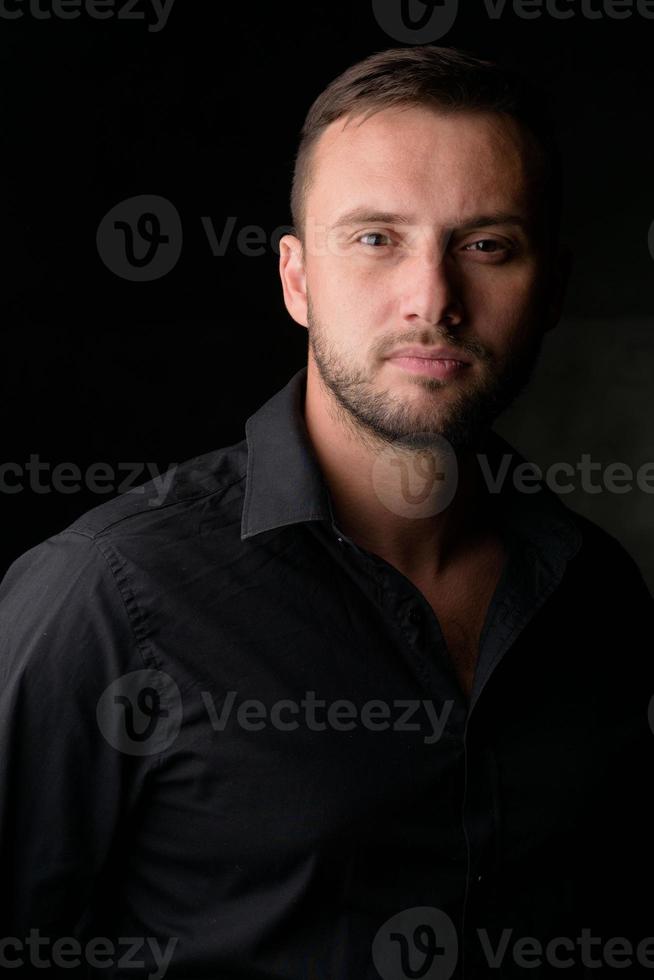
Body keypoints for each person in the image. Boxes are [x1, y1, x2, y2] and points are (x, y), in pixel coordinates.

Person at [1, 45, 652, 979]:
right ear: (296, 280)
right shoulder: (103, 595)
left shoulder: (600, 596)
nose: (433, 300)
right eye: (376, 238)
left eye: (486, 245)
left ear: (550, 289)